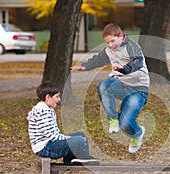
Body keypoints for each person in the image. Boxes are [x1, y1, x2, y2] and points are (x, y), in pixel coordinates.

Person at [71, 23, 149, 154]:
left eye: (113, 41)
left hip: (138, 89)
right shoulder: (109, 50)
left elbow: (137, 61)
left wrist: (125, 70)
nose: (110, 45)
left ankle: (137, 133)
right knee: (104, 86)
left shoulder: (131, 46)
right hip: (121, 84)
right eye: (107, 43)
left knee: (126, 125)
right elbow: (98, 60)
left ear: (121, 36)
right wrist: (84, 66)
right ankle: (113, 119)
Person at [27, 81, 100, 165]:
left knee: (81, 135)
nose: (59, 99)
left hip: (49, 144)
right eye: (57, 96)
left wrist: (70, 139)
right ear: (48, 97)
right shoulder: (42, 111)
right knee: (79, 140)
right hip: (45, 148)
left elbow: (54, 135)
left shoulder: (47, 109)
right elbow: (53, 136)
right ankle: (82, 158)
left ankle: (75, 159)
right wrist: (70, 140)